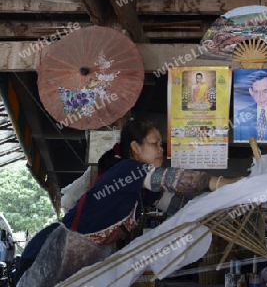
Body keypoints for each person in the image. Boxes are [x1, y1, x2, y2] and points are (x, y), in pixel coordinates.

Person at [17, 118, 243, 285]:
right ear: (136, 147)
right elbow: (173, 179)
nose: (161, 149)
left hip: (78, 266)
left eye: (161, 144)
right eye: (155, 143)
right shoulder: (126, 170)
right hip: (47, 256)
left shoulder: (142, 191)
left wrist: (214, 214)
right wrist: (220, 182)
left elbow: (178, 206)